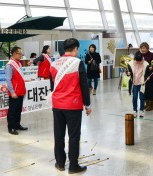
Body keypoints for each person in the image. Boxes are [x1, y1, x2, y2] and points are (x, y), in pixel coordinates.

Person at [50, 38, 91, 174]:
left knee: (59, 135)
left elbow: (53, 86)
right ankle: (73, 166)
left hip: (57, 104)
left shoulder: (54, 64)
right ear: (75, 49)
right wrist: (87, 104)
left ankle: (60, 163)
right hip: (72, 105)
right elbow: (84, 85)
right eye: (77, 49)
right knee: (73, 136)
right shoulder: (77, 62)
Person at [5, 46, 28, 135]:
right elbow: (8, 80)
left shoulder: (18, 64)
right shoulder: (9, 65)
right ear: (14, 53)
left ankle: (17, 125)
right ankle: (11, 127)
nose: (21, 56)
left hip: (21, 91)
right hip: (14, 92)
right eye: (20, 54)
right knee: (12, 111)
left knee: (18, 110)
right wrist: (12, 92)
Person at [127, 51, 149, 118]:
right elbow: (128, 72)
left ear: (142, 59)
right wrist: (128, 73)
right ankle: (134, 111)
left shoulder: (146, 64)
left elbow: (147, 73)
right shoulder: (130, 64)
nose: (138, 62)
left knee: (142, 98)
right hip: (135, 83)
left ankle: (142, 110)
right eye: (137, 61)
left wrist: (147, 77)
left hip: (142, 83)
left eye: (140, 61)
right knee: (134, 97)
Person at [139, 42, 153, 111]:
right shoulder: (140, 56)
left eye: (144, 48)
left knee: (150, 90)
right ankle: (147, 104)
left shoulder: (152, 55)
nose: (143, 49)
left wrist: (152, 67)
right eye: (142, 48)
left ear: (147, 48)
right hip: (143, 76)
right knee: (144, 90)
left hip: (151, 76)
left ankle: (151, 105)